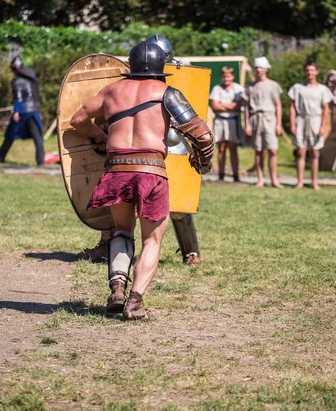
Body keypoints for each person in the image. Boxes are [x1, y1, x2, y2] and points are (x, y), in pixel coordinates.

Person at [70, 42, 214, 320]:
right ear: (162, 68)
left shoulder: (112, 90)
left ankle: (117, 289)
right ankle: (135, 302)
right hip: (151, 171)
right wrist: (203, 161)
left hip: (116, 169)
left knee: (122, 231)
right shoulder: (167, 92)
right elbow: (203, 135)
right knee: (152, 240)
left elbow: (78, 119)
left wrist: (101, 136)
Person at [80, 35, 203, 266]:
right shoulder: (125, 85)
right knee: (118, 197)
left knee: (179, 203)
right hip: (133, 149)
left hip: (169, 145)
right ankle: (107, 245)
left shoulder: (177, 78)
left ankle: (191, 251)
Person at [0, 56, 45, 166]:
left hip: (23, 112)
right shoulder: (31, 80)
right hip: (33, 111)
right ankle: (41, 162)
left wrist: (16, 111)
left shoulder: (17, 81)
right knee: (37, 137)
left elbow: (18, 98)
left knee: (10, 135)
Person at [289, 63, 333, 189]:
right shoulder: (297, 88)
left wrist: (323, 126)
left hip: (315, 120)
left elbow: (326, 109)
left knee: (314, 152)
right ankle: (300, 181)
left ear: (317, 72)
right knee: (301, 151)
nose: (310, 73)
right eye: (307, 70)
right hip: (301, 120)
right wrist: (292, 124)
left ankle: (314, 181)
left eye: (312, 70)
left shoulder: (322, 89)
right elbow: (292, 107)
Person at [245, 56, 283, 188]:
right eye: (256, 68)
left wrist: (278, 124)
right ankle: (260, 179)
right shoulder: (250, 87)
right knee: (258, 150)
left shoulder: (273, 85)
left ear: (266, 69)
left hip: (269, 119)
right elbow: (247, 107)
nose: (258, 70)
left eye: (260, 67)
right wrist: (248, 124)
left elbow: (278, 105)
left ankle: (274, 179)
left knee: (272, 150)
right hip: (256, 119)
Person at [209, 66, 244, 182]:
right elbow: (214, 106)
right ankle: (221, 174)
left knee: (233, 148)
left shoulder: (238, 89)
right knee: (221, 148)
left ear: (232, 76)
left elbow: (238, 106)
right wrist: (230, 106)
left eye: (228, 76)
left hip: (233, 120)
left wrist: (222, 105)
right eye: (224, 76)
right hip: (220, 120)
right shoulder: (217, 89)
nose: (226, 79)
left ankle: (235, 175)